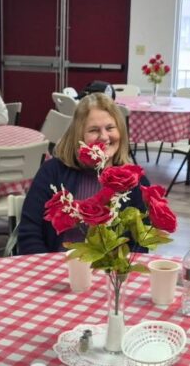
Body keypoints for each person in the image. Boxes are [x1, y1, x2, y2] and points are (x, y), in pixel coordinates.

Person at [19, 92, 148, 254]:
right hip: (57, 265)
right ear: (78, 135)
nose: (104, 137)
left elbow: (141, 244)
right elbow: (29, 232)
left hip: (113, 275)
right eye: (93, 130)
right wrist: (47, 268)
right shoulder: (52, 172)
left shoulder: (135, 181)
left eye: (110, 128)